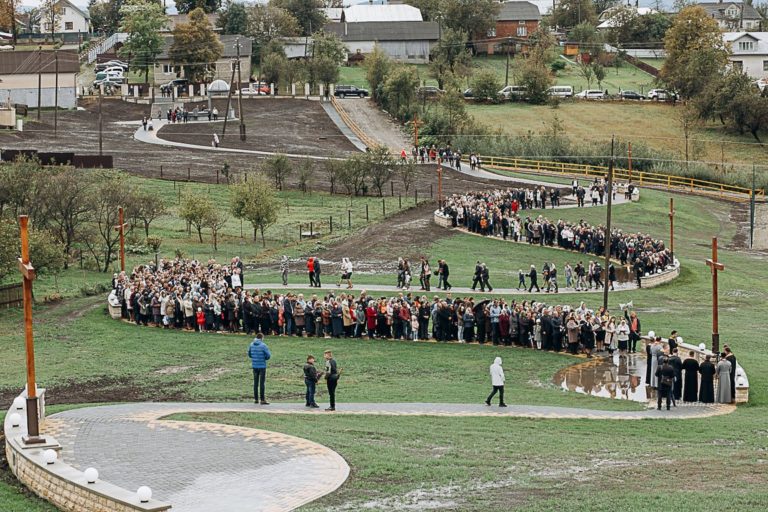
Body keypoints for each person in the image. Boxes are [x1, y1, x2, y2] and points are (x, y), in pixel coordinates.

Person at [248, 333, 271, 405]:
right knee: (262, 383)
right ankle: (262, 399)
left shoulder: (251, 344)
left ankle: (256, 399)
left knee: (255, 383)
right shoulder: (263, 345)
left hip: (254, 365)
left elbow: (249, 354)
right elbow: (268, 355)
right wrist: (264, 358)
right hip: (262, 366)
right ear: (262, 338)